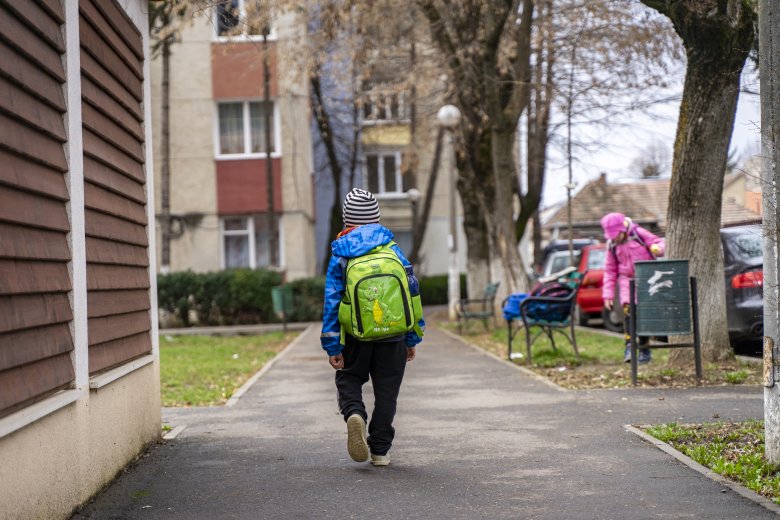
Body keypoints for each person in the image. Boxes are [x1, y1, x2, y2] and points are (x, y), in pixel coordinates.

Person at [321, 188, 424, 467]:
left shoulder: (341, 254)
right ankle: (379, 450)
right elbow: (412, 294)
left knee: (349, 378)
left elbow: (332, 300)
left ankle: (355, 413)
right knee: (387, 392)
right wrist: (412, 336)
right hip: (394, 335)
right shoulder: (393, 250)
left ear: (347, 221)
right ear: (376, 218)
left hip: (356, 335)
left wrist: (332, 344)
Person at [600, 212, 664, 364]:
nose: (614, 238)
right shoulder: (612, 245)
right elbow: (610, 271)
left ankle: (644, 349)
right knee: (630, 314)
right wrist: (608, 295)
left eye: (615, 234)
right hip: (626, 282)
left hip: (646, 279)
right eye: (611, 236)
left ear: (623, 228)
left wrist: (658, 248)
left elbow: (658, 242)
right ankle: (629, 346)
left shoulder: (639, 234)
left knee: (643, 316)